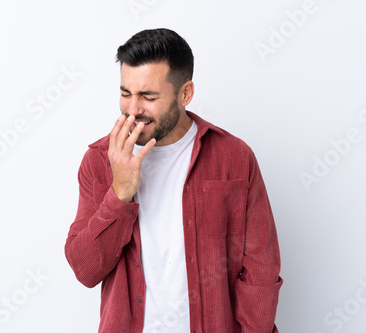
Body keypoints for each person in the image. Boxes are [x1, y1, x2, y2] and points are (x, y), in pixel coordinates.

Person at [65, 28, 282, 333]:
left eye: (148, 96)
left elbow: (261, 269)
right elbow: (85, 270)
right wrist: (119, 194)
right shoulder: (99, 160)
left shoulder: (235, 157)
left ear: (185, 94)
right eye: (126, 93)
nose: (133, 109)